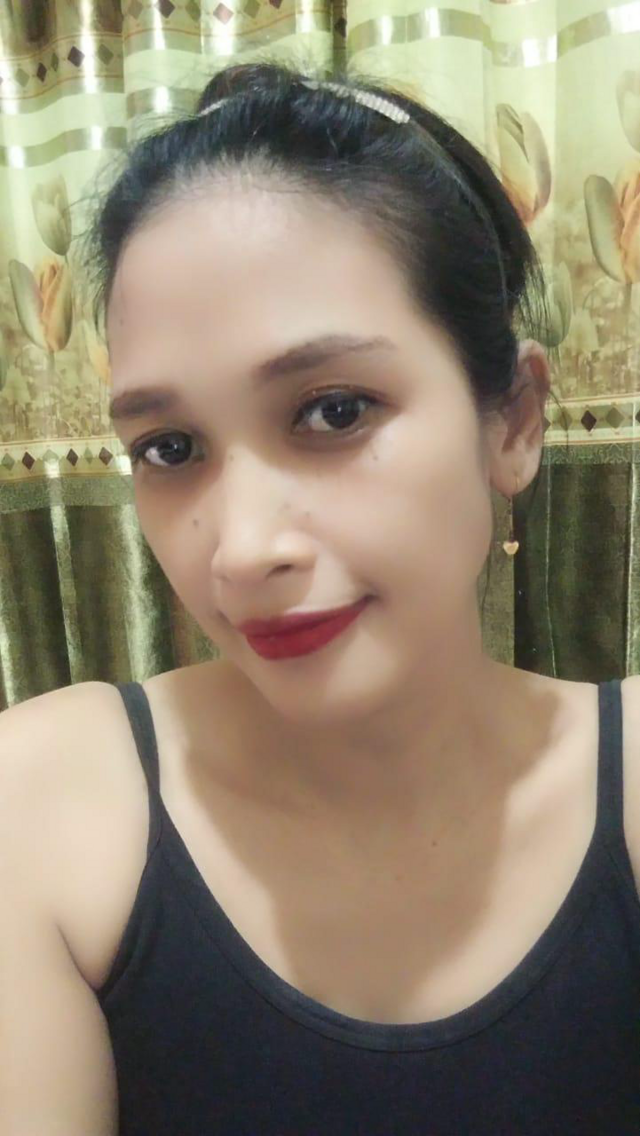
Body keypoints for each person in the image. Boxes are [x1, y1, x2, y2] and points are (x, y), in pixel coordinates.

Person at [1, 57, 639, 1136]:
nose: (242, 551)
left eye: (334, 410)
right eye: (169, 448)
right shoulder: (43, 804)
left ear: (515, 421)